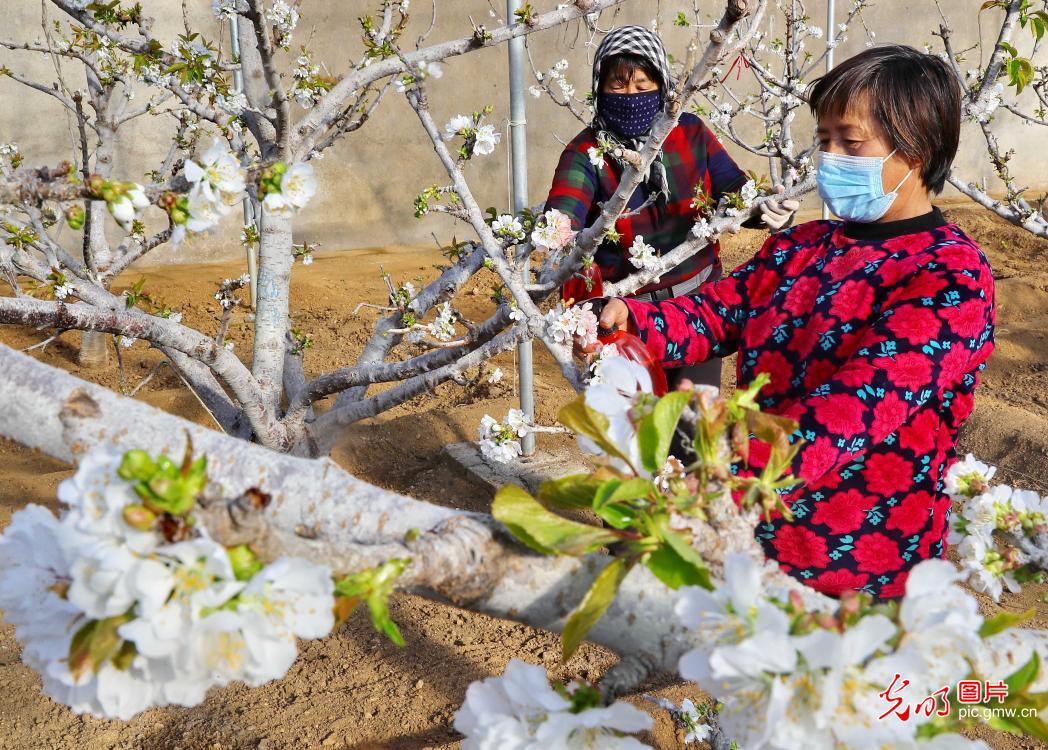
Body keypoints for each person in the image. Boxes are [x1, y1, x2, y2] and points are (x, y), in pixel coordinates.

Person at [588, 45, 996, 601]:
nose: (830, 158)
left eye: (850, 142)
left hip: (867, 558)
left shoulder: (950, 276)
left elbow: (858, 405)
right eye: (823, 141)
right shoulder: (801, 245)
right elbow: (722, 309)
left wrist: (724, 466)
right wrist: (636, 316)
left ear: (918, 147)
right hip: (764, 532)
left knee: (858, 685)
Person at [543, 24, 798, 390]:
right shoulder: (587, 153)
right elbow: (562, 217)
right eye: (617, 86)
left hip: (699, 308)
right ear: (599, 89)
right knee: (638, 437)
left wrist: (766, 208)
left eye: (643, 86)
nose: (630, 95)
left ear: (661, 86)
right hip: (625, 317)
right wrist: (555, 236)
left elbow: (735, 192)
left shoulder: (690, 132)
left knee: (692, 427)